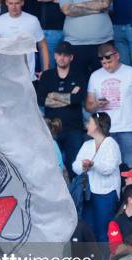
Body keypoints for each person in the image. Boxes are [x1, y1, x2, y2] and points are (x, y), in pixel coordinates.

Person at [86, 42, 132, 168]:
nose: (107, 66)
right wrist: (97, 104)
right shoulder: (95, 76)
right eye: (103, 64)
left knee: (131, 168)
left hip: (128, 129)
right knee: (106, 167)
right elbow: (88, 106)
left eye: (109, 62)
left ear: (117, 56)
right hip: (104, 130)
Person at [37, 41, 86, 178]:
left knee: (75, 168)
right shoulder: (47, 76)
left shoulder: (79, 75)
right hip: (51, 130)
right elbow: (41, 100)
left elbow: (78, 99)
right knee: (51, 169)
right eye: (59, 54)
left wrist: (53, 96)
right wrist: (68, 97)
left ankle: (76, 198)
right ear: (55, 56)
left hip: (74, 129)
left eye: (65, 55)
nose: (62, 58)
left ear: (71, 57)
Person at [72, 112, 121, 242]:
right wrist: (83, 165)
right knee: (89, 232)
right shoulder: (87, 144)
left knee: (103, 232)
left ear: (97, 126)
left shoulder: (111, 144)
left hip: (106, 193)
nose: (87, 124)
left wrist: (93, 164)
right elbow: (75, 167)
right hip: (88, 194)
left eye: (90, 122)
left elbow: (109, 168)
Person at [0, 0, 48, 82]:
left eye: (17, 3)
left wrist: (45, 71)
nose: (14, 7)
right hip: (6, 76)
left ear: (22, 3)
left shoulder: (32, 21)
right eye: (11, 3)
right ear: (6, 3)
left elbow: (43, 45)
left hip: (28, 77)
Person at [58, 0, 112, 75]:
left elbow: (105, 4)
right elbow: (67, 10)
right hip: (75, 43)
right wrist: (96, 9)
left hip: (103, 42)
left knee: (105, 81)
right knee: (78, 81)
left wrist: (79, 5)